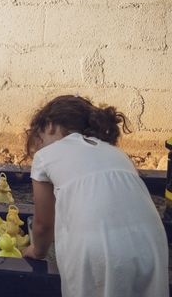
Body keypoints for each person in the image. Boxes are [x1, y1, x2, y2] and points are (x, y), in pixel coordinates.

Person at [22, 95, 168, 297]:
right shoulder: (115, 153)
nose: (40, 146)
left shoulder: (45, 157)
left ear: (49, 126)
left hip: (98, 250)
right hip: (151, 243)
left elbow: (43, 225)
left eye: (39, 139)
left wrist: (36, 251)